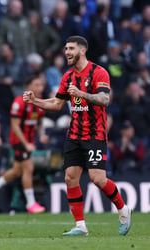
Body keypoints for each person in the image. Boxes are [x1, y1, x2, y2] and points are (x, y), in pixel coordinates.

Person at [23, 35, 132, 236]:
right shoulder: (68, 77)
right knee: (70, 178)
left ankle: (123, 209)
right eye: (65, 49)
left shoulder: (99, 72)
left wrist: (81, 94)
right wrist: (35, 101)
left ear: (82, 50)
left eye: (71, 48)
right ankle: (80, 226)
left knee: (97, 179)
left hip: (95, 134)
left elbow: (104, 99)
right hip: (74, 134)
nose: (67, 52)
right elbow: (57, 104)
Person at [0, 76, 47, 214]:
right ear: (28, 86)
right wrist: (26, 144)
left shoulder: (40, 103)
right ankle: (31, 203)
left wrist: (42, 135)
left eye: (41, 85)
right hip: (18, 141)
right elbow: (15, 127)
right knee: (28, 168)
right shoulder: (19, 102)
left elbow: (40, 122)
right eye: (36, 84)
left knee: (17, 171)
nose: (40, 88)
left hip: (29, 141)